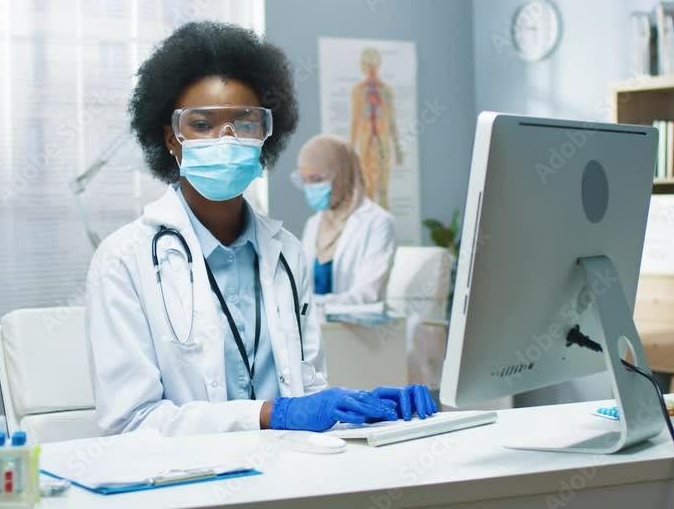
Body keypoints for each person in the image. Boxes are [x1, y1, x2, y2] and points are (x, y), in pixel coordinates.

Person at [84, 21, 436, 437]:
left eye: (245, 123)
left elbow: (306, 390)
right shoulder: (124, 260)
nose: (226, 138)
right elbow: (130, 423)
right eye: (202, 124)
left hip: (289, 479)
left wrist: (359, 406)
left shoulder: (286, 253)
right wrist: (270, 414)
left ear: (266, 136)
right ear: (172, 139)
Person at [296, 134, 396, 306]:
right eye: (304, 180)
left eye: (317, 179)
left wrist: (311, 304)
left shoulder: (377, 222)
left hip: (354, 330)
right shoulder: (314, 223)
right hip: (315, 327)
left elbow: (367, 295)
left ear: (343, 175)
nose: (310, 187)